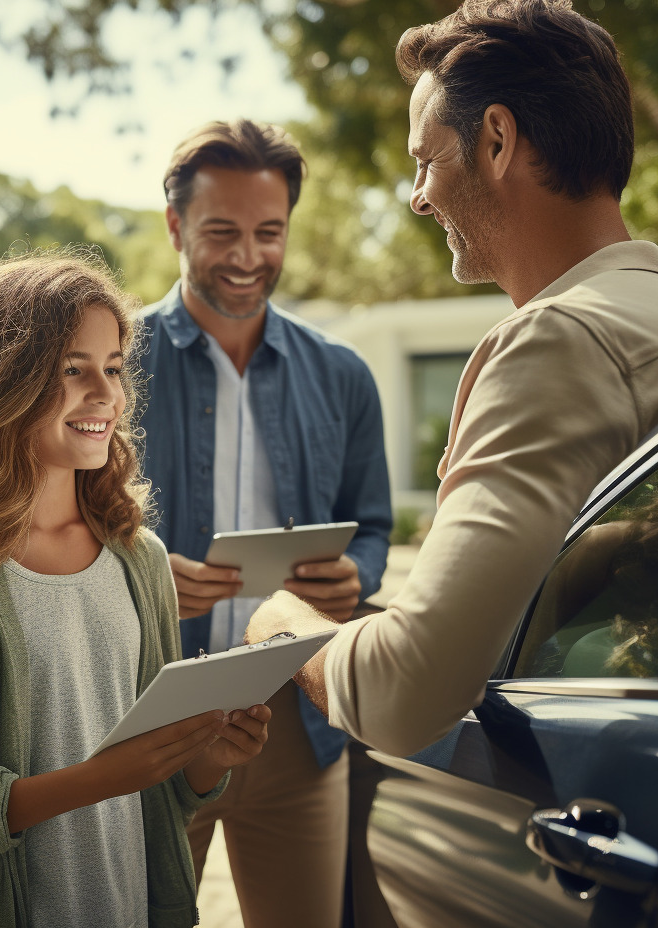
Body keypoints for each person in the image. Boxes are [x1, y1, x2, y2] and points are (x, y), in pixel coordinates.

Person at [245, 0, 658, 757]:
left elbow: (403, 693)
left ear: (497, 139)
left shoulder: (556, 339)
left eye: (426, 159)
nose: (419, 196)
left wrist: (280, 624)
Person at [0, 251, 271, 928]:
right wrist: (92, 780)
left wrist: (205, 759)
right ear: (0, 383)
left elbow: (163, 793)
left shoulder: (142, 563)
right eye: (72, 370)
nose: (106, 395)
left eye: (112, 369)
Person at [138, 120, 393, 927]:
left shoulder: (344, 376)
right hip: (150, 720)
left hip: (299, 727)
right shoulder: (109, 362)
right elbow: (48, 527)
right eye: (222, 232)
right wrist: (137, 572)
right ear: (176, 226)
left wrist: (363, 576)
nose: (248, 255)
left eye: (268, 232)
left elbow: (375, 526)